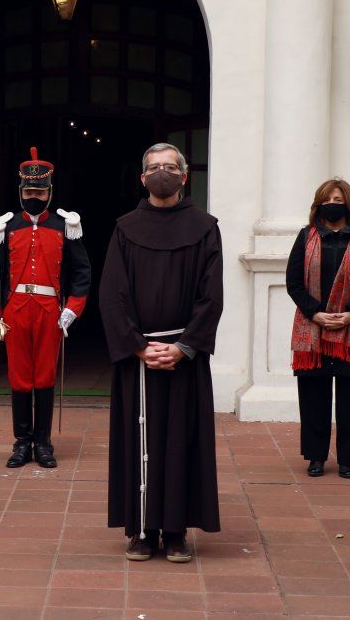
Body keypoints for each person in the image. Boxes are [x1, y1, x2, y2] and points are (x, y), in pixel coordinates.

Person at [101, 142, 222, 564]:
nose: (162, 173)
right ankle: (140, 531)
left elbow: (212, 294)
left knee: (180, 443)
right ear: (142, 177)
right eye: (154, 167)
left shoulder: (205, 228)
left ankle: (175, 532)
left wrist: (184, 346)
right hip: (139, 358)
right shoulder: (125, 228)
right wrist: (137, 346)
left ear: (184, 177)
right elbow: (112, 293)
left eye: (170, 166)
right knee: (139, 442)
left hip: (183, 357)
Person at [0, 147, 91, 469]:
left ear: (49, 192)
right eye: (29, 192)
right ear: (21, 191)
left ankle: (42, 442)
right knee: (19, 377)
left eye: (39, 193)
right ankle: (21, 442)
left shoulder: (63, 225)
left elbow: (82, 272)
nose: (34, 197)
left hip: (49, 310)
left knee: (44, 376)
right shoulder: (6, 226)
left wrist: (73, 308)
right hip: (15, 310)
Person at [285, 178, 350, 480]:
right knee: (313, 395)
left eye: (338, 200)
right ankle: (316, 457)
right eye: (327, 200)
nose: (332, 205)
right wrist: (315, 313)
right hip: (313, 329)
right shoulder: (305, 237)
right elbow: (294, 282)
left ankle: (348, 459)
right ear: (318, 205)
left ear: (349, 204)